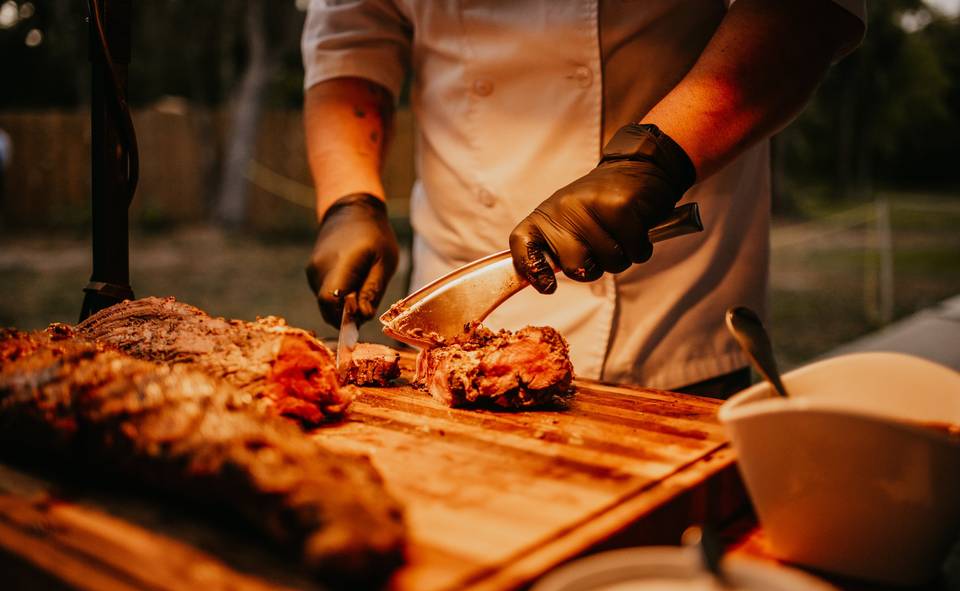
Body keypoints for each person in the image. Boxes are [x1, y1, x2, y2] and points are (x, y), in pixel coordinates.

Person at [301, 0, 865, 398]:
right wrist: (350, 200)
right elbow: (349, 42)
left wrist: (656, 161)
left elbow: (805, 13)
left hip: (673, 313)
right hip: (455, 283)